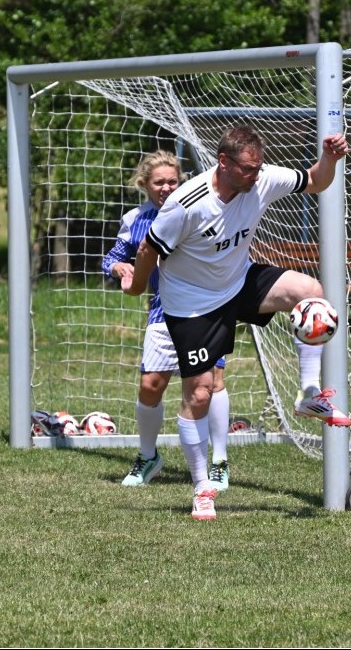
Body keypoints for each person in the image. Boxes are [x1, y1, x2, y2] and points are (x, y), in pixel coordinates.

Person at [122, 124, 350, 521]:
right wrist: (137, 286)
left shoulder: (260, 180)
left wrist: (329, 159)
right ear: (223, 163)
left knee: (310, 290)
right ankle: (201, 489)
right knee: (199, 393)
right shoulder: (186, 203)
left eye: (258, 167)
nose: (256, 175)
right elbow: (147, 248)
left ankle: (309, 393)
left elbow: (315, 181)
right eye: (248, 168)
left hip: (238, 281)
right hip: (192, 305)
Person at [103, 150, 233, 491]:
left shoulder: (199, 209)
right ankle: (148, 457)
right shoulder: (136, 220)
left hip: (206, 308)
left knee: (212, 381)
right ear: (144, 184)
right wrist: (119, 267)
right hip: (163, 311)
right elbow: (113, 258)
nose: (166, 188)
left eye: (172, 181)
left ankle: (218, 461)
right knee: (151, 385)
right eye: (159, 182)